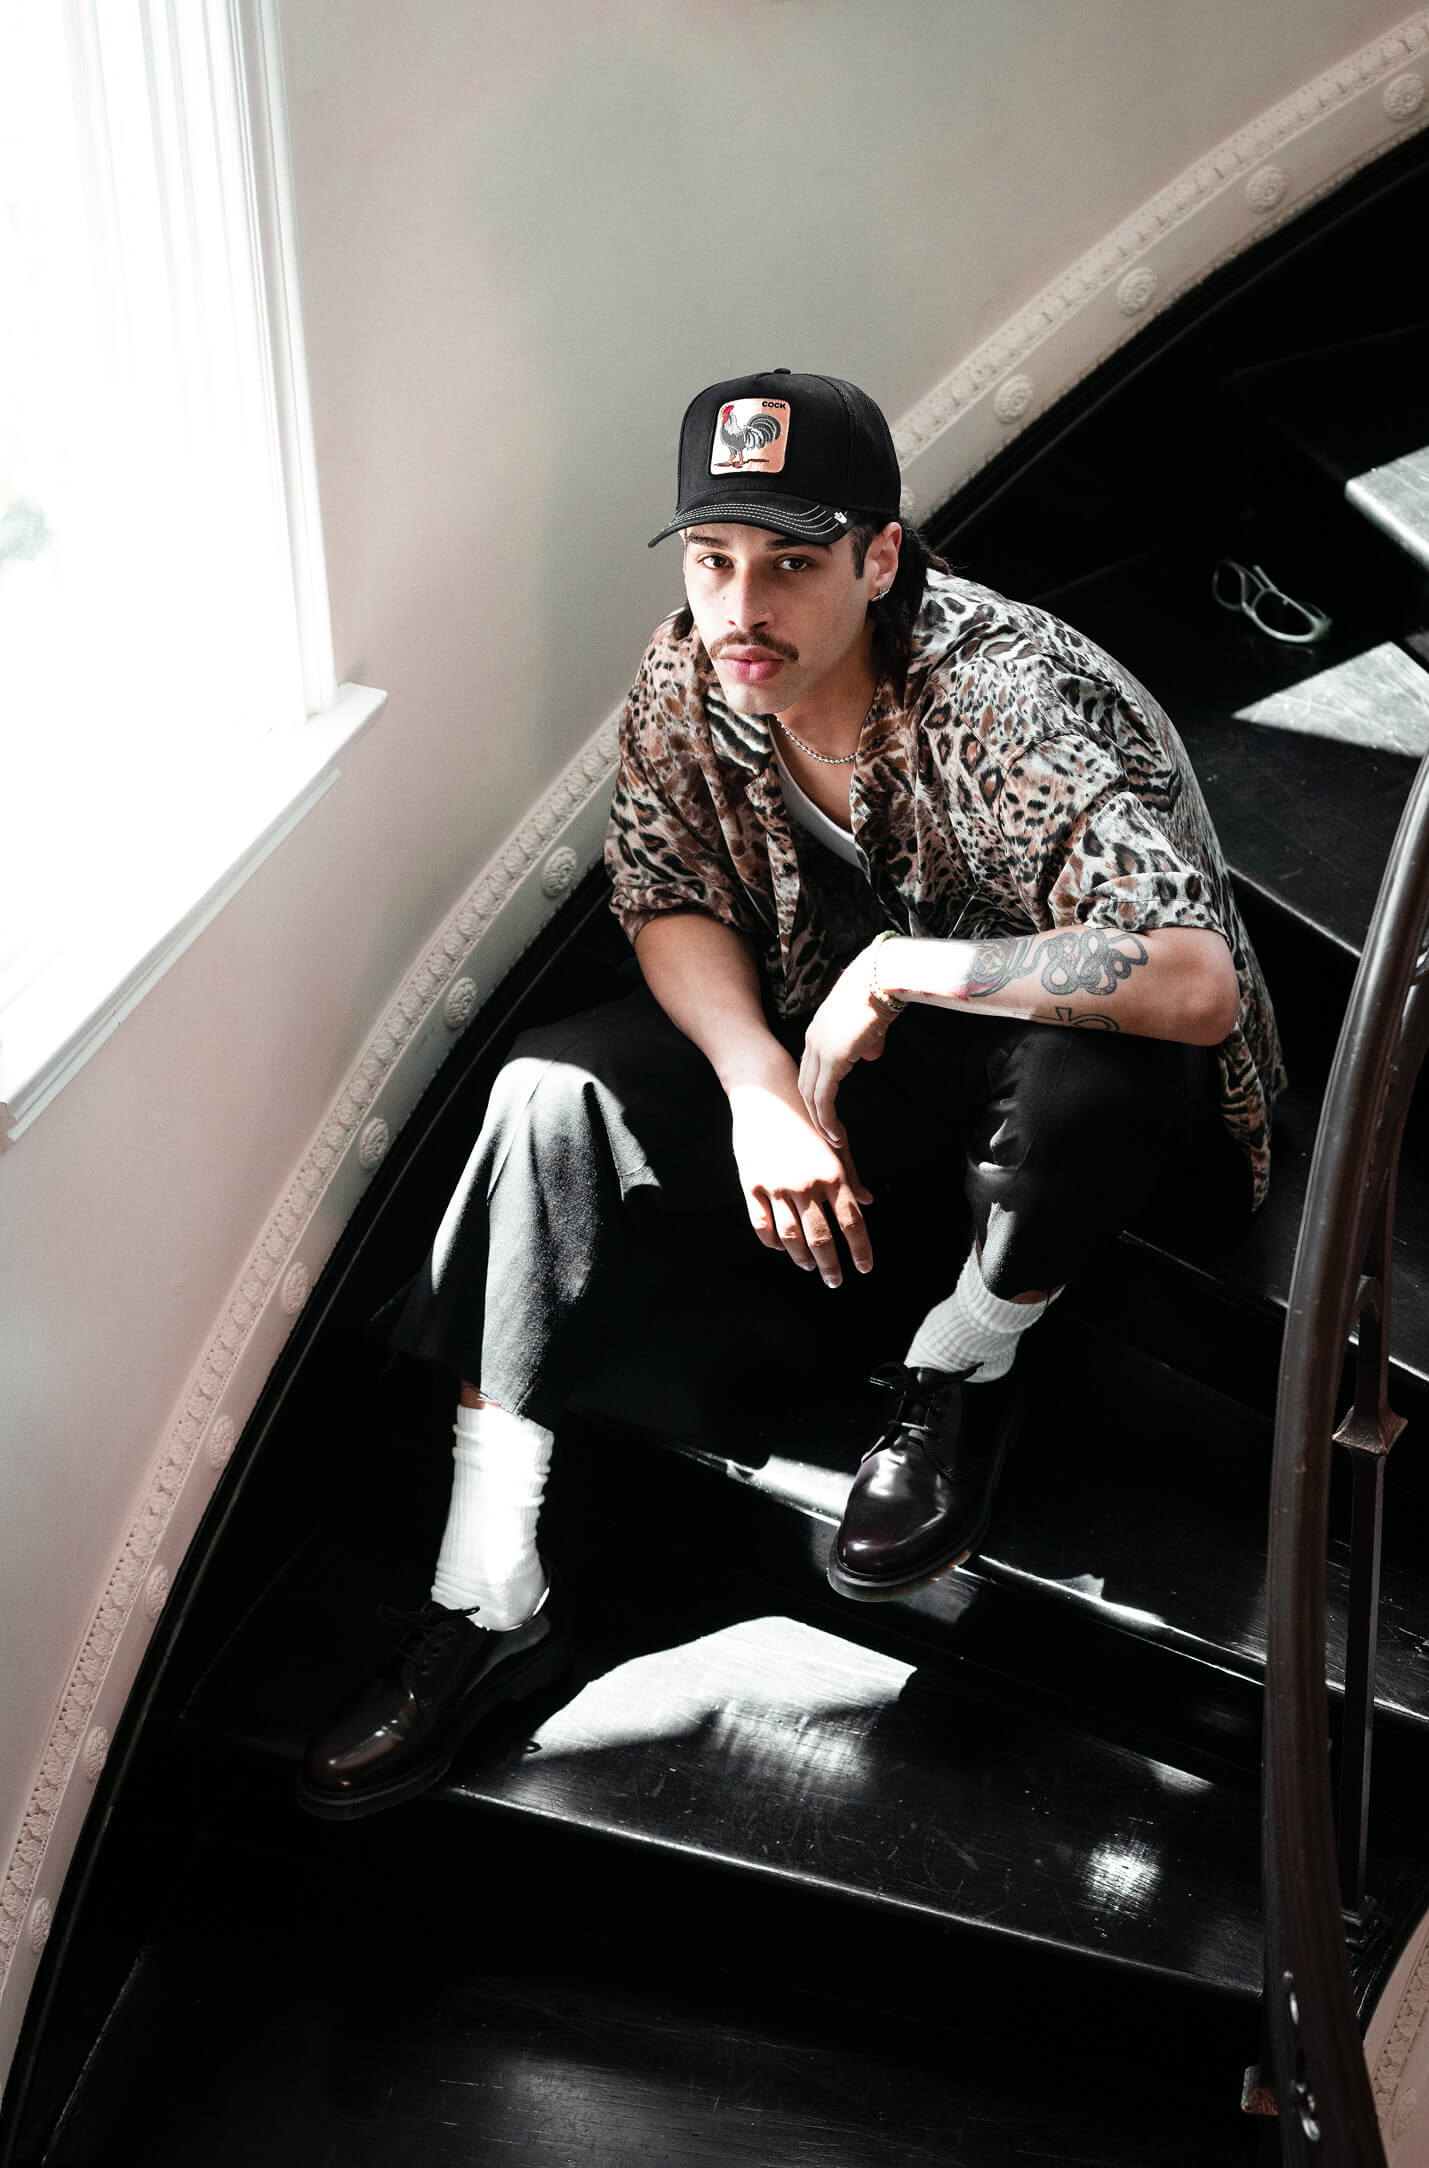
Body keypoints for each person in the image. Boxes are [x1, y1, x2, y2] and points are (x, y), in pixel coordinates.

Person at [299, 368, 1283, 1819]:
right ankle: (485, 1592)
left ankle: (959, 1364)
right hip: (844, 1067)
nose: (742, 606)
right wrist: (757, 1085)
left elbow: (1193, 984)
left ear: (880, 559)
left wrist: (904, 968)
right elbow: (663, 892)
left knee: (1091, 1061)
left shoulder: (1000, 695)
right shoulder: (696, 668)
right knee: (541, 1094)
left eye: (792, 564)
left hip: (1110, 1104)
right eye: (713, 561)